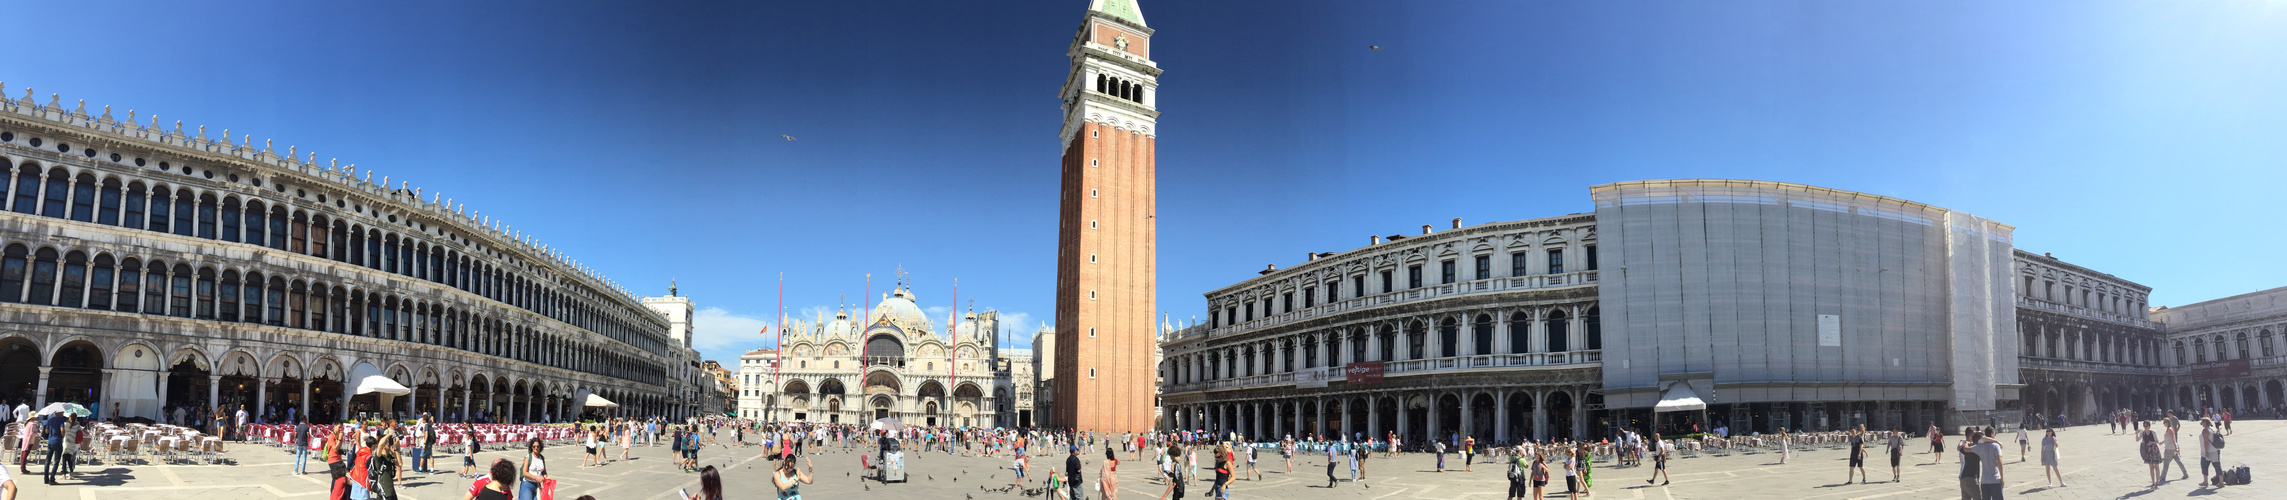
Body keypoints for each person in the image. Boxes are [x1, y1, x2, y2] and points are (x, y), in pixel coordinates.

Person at [1970, 430, 2004, 500]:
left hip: (1984, 480)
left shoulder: (1979, 446)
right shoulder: (1996, 445)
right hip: (1995, 479)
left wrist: (1965, 442)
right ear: (1992, 435)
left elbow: (1965, 449)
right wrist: (2002, 478)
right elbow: (1999, 461)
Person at [373, 429, 403, 500]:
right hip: (384, 491)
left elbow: (400, 463)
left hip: (391, 491)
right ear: (383, 445)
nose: (389, 444)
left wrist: (395, 449)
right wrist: (389, 434)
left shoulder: (389, 456)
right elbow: (380, 445)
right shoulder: (379, 458)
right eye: (387, 442)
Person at [39, 410, 64, 485]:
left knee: (48, 460)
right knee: (56, 461)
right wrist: (63, 436)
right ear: (59, 413)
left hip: (50, 441)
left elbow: (46, 430)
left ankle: (46, 478)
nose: (63, 413)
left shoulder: (50, 420)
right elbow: (62, 430)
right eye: (62, 412)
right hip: (57, 441)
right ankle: (52, 478)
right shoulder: (61, 420)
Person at [1956, 429, 1981, 500]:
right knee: (1978, 497)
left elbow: (1959, 448)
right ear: (1971, 435)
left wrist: (1962, 441)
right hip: (1971, 477)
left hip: (1962, 476)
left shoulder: (1964, 445)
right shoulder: (1973, 448)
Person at [2197, 418, 2221, 489]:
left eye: (2202, 422)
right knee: (2217, 466)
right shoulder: (2213, 429)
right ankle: (2221, 482)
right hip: (2216, 450)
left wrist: (2206, 452)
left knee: (2204, 466)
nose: (2201, 424)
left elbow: (2206, 442)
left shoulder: (2205, 430)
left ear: (2205, 422)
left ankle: (2205, 481)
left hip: (2207, 451)